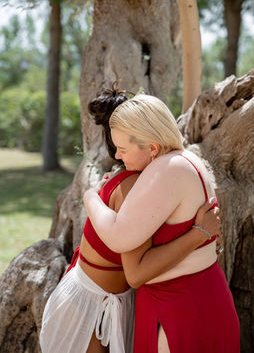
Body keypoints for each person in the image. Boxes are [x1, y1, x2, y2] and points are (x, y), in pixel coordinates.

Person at [40, 87, 221, 353]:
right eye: (118, 148)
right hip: (89, 306)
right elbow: (136, 271)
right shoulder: (133, 186)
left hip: (109, 301)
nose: (117, 156)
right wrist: (199, 234)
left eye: (122, 148)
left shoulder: (146, 182)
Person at [84, 93, 240, 353]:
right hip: (203, 295)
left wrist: (90, 196)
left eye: (123, 149)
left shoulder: (167, 170)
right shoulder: (187, 159)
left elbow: (118, 238)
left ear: (152, 148)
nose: (119, 157)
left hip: (179, 306)